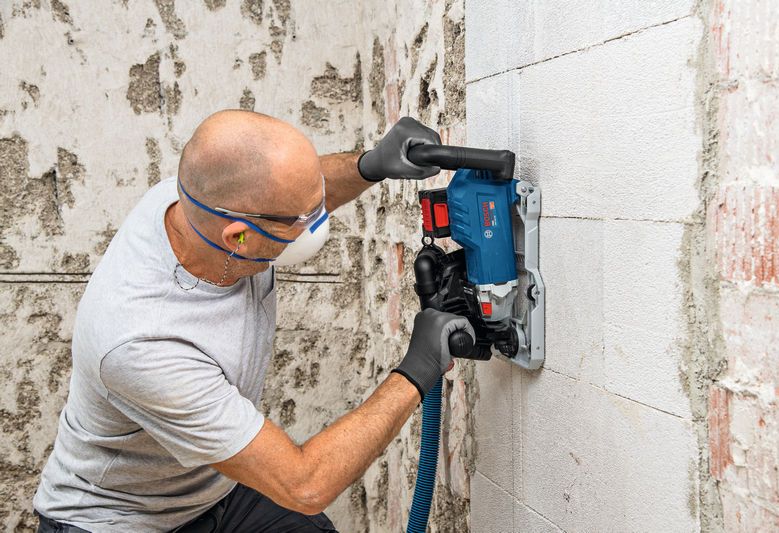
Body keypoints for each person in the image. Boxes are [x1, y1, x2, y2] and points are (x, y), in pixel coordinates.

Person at [32, 111, 474, 532]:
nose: (315, 221)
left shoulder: (198, 199)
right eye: (302, 219)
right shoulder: (141, 343)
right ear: (239, 236)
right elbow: (304, 485)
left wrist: (370, 165)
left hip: (211, 491)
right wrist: (417, 367)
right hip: (119, 519)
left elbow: (283, 193)